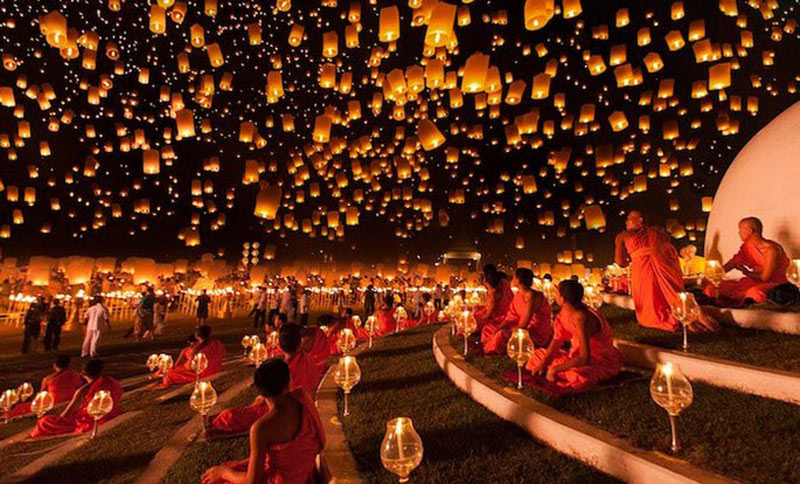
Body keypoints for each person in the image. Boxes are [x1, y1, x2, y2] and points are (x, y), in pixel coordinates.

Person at [201, 359, 325, 484]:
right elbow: (321, 439)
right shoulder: (302, 396)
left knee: (219, 479)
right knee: (234, 467)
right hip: (306, 473)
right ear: (289, 381)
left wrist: (223, 472)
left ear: (260, 390)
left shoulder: (262, 427)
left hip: (282, 480)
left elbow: (252, 481)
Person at [208, 326, 320, 439]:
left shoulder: (283, 370)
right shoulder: (307, 359)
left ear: (280, 346)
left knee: (230, 416)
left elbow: (274, 396)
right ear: (299, 342)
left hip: (282, 409)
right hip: (303, 404)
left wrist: (256, 402)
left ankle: (216, 424)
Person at [615, 210, 717, 332]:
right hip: (666, 265)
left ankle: (686, 319)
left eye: (629, 218)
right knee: (674, 292)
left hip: (643, 270)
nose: (626, 221)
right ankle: (697, 319)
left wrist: (635, 255)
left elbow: (621, 263)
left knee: (652, 308)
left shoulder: (623, 235)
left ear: (640, 221)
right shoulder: (659, 233)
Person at [527, 280, 623, 393]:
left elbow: (584, 358)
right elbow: (558, 339)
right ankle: (558, 373)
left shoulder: (582, 319)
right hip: (574, 357)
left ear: (562, 299)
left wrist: (556, 368)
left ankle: (561, 374)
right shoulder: (566, 311)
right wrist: (544, 362)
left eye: (557, 293)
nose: (555, 295)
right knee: (538, 355)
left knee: (577, 376)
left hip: (599, 361)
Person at [704, 217, 791, 305]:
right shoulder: (747, 246)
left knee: (754, 293)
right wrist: (713, 275)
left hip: (774, 283)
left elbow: (765, 278)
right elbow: (733, 263)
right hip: (752, 281)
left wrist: (745, 272)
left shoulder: (771, 250)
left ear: (750, 231)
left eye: (741, 230)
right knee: (712, 288)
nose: (739, 233)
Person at [31, 358, 123, 438]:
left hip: (88, 419)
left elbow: (67, 413)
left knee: (45, 421)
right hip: (111, 412)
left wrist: (59, 419)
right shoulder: (112, 382)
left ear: (83, 373)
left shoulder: (83, 390)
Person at [481, 268, 552, 354]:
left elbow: (525, 323)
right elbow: (511, 315)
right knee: (488, 328)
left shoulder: (533, 297)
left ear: (518, 280)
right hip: (517, 324)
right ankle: (486, 344)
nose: (512, 280)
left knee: (502, 334)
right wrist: (500, 327)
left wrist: (510, 330)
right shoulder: (519, 294)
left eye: (514, 277)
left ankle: (489, 349)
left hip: (534, 332)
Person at [9, 354, 84, 418]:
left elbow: (41, 396)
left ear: (55, 365)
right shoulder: (75, 375)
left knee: (20, 408)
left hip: (53, 403)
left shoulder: (48, 379)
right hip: (70, 400)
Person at [161, 325, 226, 387]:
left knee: (171, 373)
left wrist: (183, 365)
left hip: (203, 373)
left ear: (197, 335)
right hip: (217, 369)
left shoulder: (197, 349)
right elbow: (223, 354)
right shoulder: (217, 343)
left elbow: (191, 367)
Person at [474, 265, 514, 333]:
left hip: (499, 314)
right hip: (503, 310)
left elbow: (490, 311)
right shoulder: (500, 281)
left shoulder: (495, 290)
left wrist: (483, 317)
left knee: (476, 319)